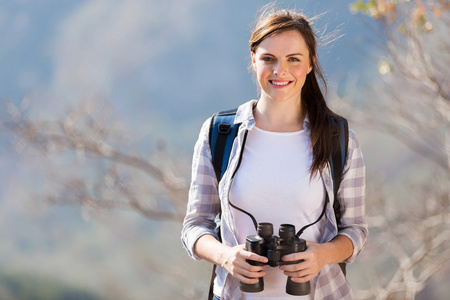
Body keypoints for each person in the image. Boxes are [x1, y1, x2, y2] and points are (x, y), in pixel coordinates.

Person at [181, 5, 367, 300]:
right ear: (253, 61)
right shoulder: (220, 134)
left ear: (310, 63)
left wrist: (322, 255)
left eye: (294, 59)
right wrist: (226, 256)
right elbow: (195, 225)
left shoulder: (339, 139)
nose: (280, 71)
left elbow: (355, 230)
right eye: (269, 59)